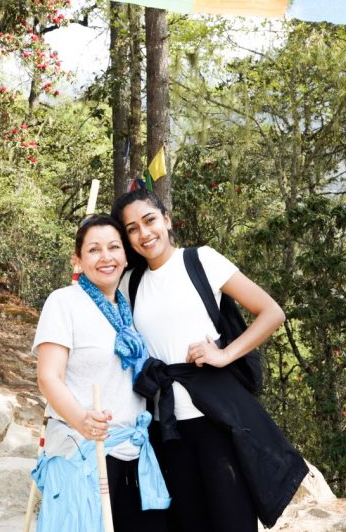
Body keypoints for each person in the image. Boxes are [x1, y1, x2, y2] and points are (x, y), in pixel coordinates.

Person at [111, 189, 309, 532]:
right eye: (132, 229)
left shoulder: (201, 260)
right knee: (187, 522)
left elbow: (271, 312)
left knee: (232, 519)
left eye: (149, 220)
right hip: (166, 425)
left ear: (166, 220)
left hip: (215, 417)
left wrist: (225, 354)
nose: (144, 234)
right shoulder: (130, 282)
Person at [32, 214, 170, 532]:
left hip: (135, 451)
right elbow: (48, 376)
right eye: (94, 250)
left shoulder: (129, 309)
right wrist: (82, 419)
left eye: (113, 247)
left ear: (125, 255)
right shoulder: (64, 301)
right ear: (77, 261)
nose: (106, 257)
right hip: (84, 451)